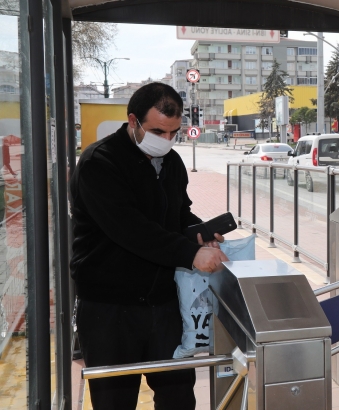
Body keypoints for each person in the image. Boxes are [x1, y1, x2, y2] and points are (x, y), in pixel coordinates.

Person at [70, 82, 229, 410]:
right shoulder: (99, 163)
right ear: (133, 121)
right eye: (158, 131)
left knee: (178, 398)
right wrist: (191, 253)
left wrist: (199, 233)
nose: (166, 140)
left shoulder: (172, 162)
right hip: (110, 309)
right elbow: (130, 229)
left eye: (173, 133)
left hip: (164, 303)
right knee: (114, 401)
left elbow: (178, 213)